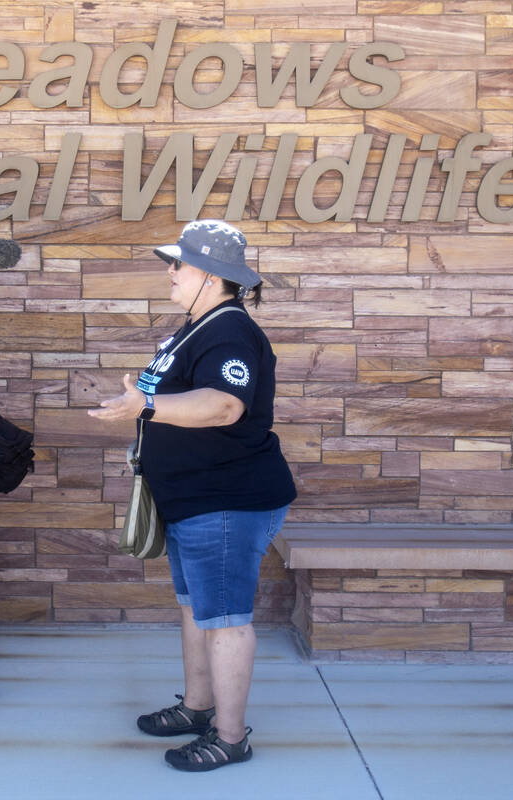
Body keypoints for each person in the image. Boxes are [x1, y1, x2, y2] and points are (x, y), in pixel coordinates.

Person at [90, 219, 296, 772]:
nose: (171, 272)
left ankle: (230, 738)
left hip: (226, 499)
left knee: (225, 618)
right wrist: (140, 401)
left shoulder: (230, 332)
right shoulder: (196, 326)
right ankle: (198, 707)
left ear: (212, 275)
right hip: (193, 500)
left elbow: (225, 405)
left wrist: (146, 407)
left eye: (179, 264)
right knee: (196, 609)